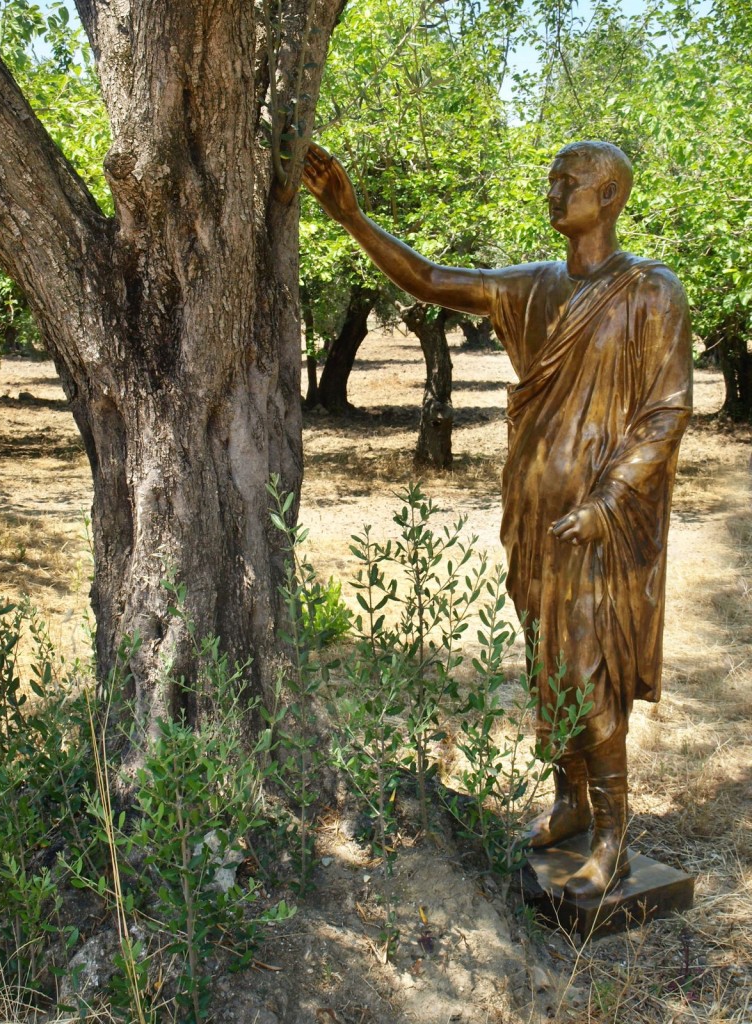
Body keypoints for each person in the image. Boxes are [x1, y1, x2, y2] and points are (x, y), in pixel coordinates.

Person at [303, 140, 692, 899]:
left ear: (608, 197)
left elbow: (667, 410)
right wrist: (352, 217)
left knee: (589, 667)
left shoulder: (651, 291)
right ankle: (571, 800)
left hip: (602, 520)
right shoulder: (534, 287)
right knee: (546, 659)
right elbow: (431, 280)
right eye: (551, 181)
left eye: (568, 183)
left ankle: (613, 829)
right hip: (536, 513)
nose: (553, 193)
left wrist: (608, 501)